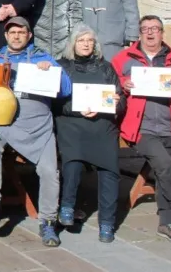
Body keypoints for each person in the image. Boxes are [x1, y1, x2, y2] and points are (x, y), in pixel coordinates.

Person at [0, 17, 72, 246]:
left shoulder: (45, 58)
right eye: (12, 32)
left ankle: (48, 222)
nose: (16, 36)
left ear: (29, 35)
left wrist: (50, 72)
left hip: (39, 127)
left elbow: (66, 89)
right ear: (6, 35)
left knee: (50, 171)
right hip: (4, 124)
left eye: (21, 32)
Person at [112, 15, 171, 243]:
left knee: (165, 171)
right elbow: (109, 83)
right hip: (141, 128)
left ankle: (166, 223)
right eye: (145, 29)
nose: (150, 33)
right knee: (164, 165)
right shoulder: (124, 58)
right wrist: (123, 85)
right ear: (139, 33)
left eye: (155, 29)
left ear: (162, 33)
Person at [55, 24, 125, 243]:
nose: (86, 44)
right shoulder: (61, 67)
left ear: (95, 44)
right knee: (73, 163)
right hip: (72, 124)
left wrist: (116, 103)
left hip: (102, 125)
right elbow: (55, 103)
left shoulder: (106, 68)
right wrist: (78, 109)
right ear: (73, 44)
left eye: (90, 41)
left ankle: (107, 223)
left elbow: (121, 101)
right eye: (81, 40)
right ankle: (67, 206)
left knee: (110, 170)